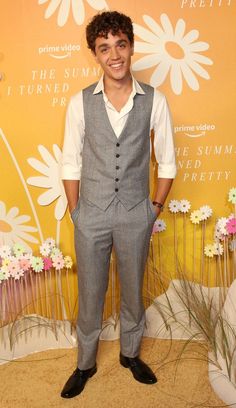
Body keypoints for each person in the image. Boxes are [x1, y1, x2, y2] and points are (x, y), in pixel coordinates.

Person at [60, 11, 176, 399]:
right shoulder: (80, 103)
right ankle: (85, 362)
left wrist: (152, 208)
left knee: (132, 289)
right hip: (90, 212)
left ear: (130, 46)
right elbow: (70, 160)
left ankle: (130, 354)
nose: (114, 55)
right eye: (104, 47)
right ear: (95, 54)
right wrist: (77, 212)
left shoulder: (154, 100)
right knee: (91, 292)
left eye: (120, 45)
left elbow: (168, 159)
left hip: (134, 212)